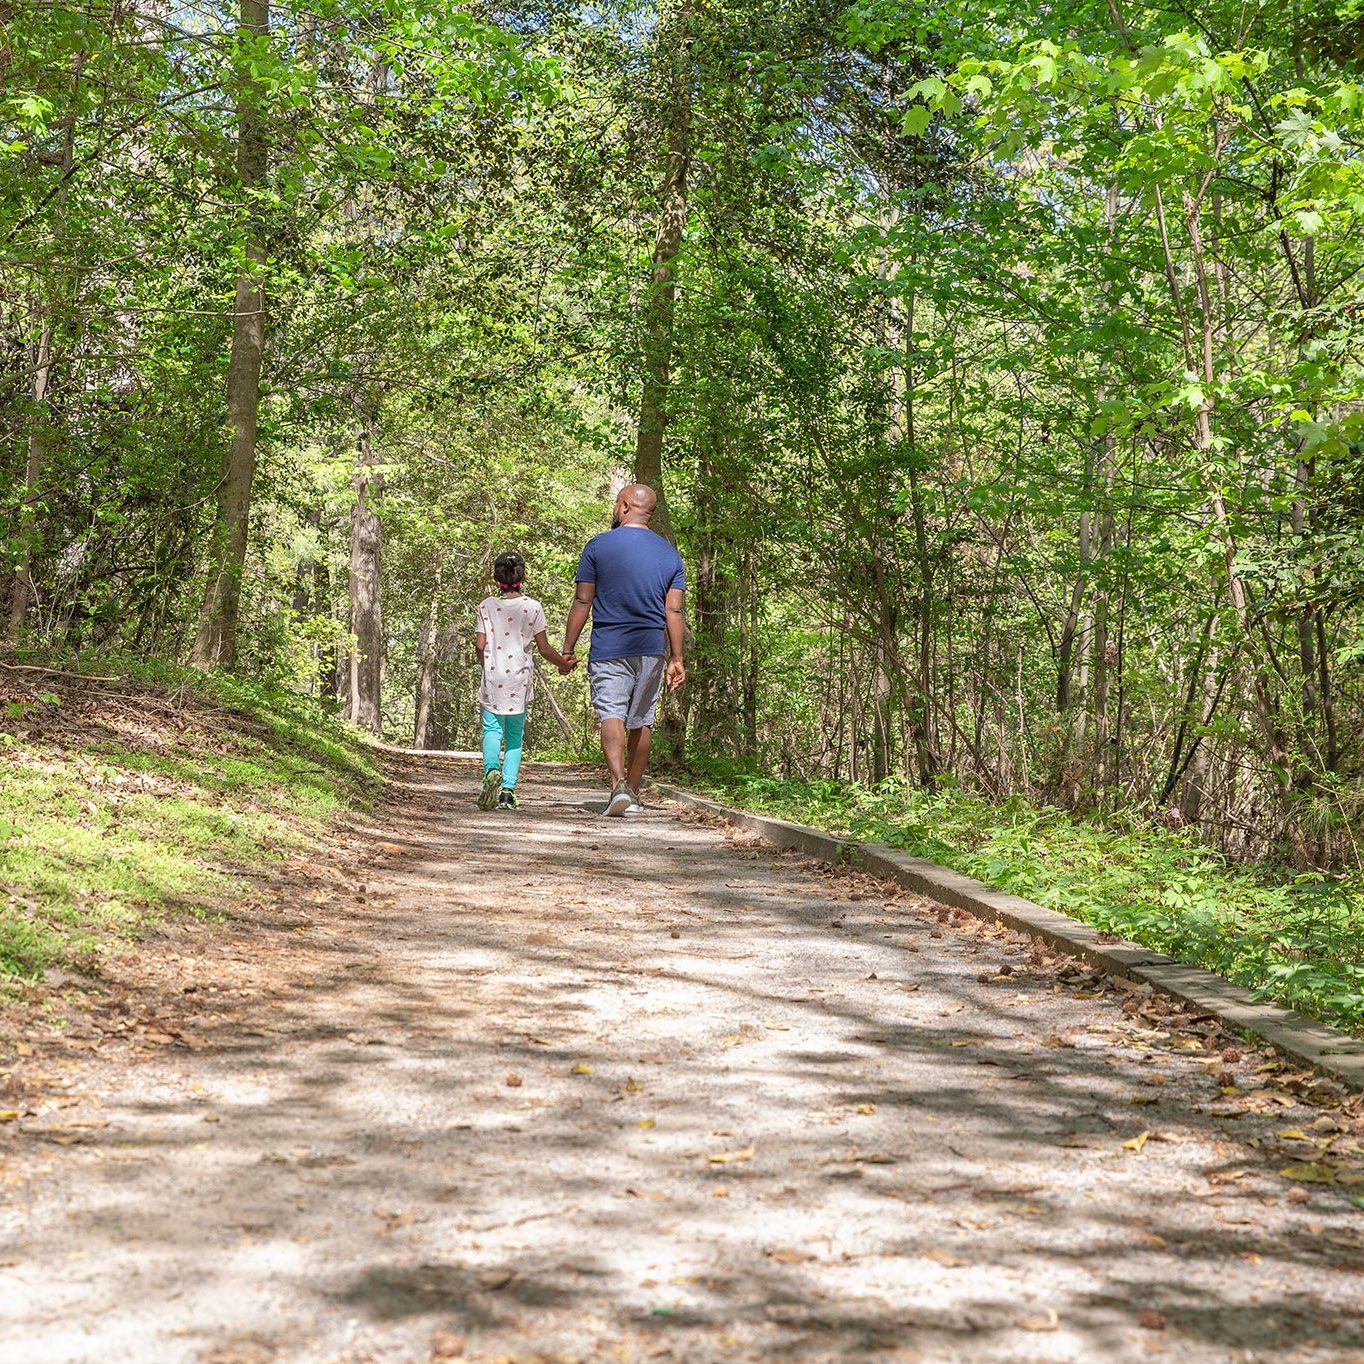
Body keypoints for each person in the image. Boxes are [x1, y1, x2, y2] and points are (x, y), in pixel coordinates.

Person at [562, 483, 686, 816]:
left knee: (612, 713)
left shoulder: (598, 546)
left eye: (618, 502)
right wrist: (677, 657)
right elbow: (673, 611)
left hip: (609, 646)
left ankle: (618, 787)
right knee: (641, 720)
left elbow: (582, 599)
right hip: (651, 648)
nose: (616, 508)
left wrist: (568, 648)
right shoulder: (670, 554)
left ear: (626, 506)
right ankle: (631, 792)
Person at [475, 551, 576, 811]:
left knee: (492, 730)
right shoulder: (533, 607)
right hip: (519, 679)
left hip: (493, 676)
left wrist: (484, 664)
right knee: (514, 736)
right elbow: (543, 648)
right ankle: (507, 791)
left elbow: (480, 645)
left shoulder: (486, 605)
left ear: (496, 576)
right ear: (523, 575)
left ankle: (490, 774)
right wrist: (563, 664)